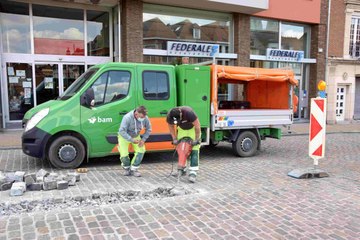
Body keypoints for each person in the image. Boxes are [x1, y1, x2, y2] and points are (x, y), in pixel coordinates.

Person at [166, 106, 201, 183]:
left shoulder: (189, 112)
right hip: (182, 130)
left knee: (194, 150)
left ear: (181, 114)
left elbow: (197, 126)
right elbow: (171, 127)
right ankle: (182, 169)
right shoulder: (170, 115)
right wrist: (174, 138)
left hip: (193, 129)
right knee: (181, 149)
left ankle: (193, 172)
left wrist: (196, 139)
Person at [118, 106, 152, 177]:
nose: (143, 119)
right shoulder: (127, 118)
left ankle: (134, 169)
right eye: (141, 117)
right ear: (136, 114)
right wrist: (131, 139)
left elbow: (148, 129)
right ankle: (126, 168)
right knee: (123, 154)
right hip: (124, 136)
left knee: (141, 151)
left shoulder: (145, 118)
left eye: (144, 117)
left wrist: (143, 140)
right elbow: (121, 131)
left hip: (136, 136)